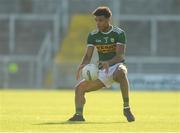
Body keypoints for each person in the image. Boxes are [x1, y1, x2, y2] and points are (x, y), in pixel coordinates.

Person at [68, 6, 135, 122]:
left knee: (122, 72)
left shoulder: (119, 33)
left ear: (108, 19)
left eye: (101, 20)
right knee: (79, 88)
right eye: (96, 20)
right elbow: (88, 56)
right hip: (102, 70)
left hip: (115, 66)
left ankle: (126, 108)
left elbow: (120, 56)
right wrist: (82, 65)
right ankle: (78, 115)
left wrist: (108, 62)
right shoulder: (93, 35)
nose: (98, 23)